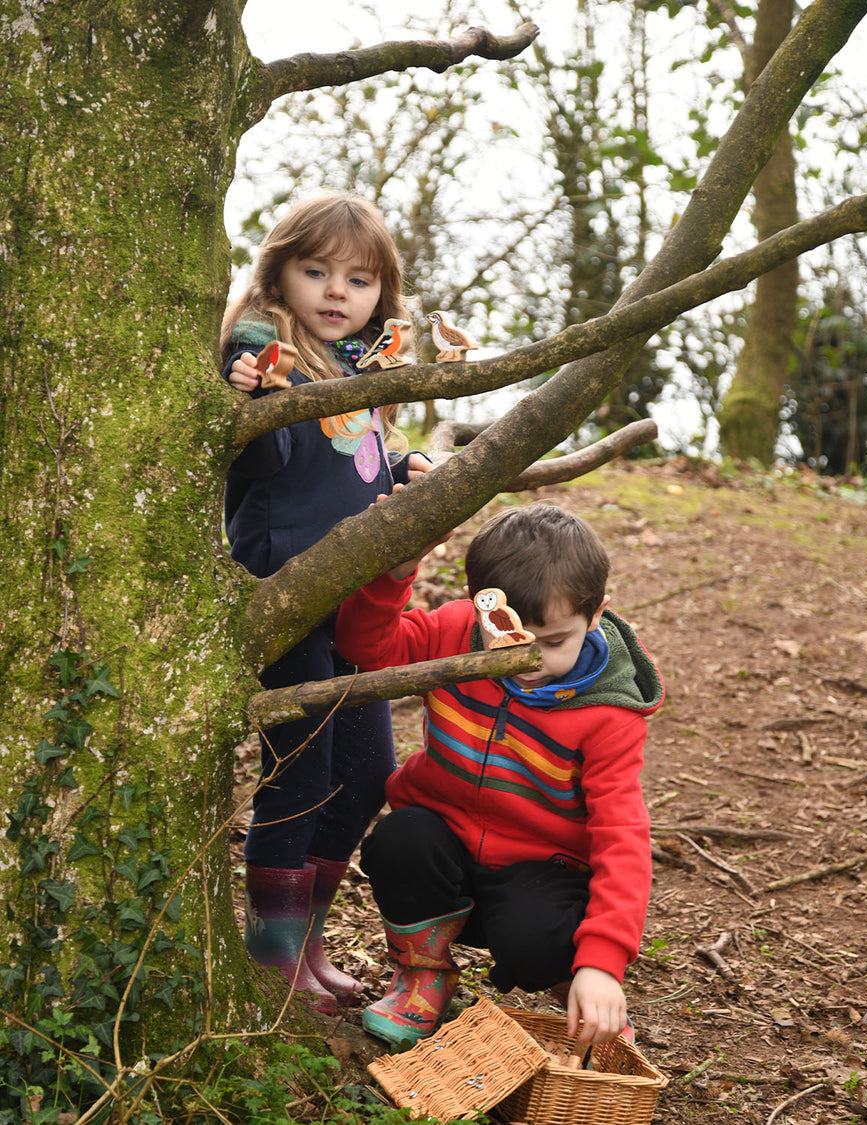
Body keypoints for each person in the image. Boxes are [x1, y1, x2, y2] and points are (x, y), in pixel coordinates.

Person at [335, 503, 664, 1047]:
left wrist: (603, 963)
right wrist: (394, 572)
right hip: (446, 859)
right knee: (399, 841)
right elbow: (368, 648)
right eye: (509, 638)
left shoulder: (608, 715)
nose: (531, 660)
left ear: (597, 613)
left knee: (537, 942)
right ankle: (424, 975)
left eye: (555, 641)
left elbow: (621, 834)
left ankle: (580, 992)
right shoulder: (453, 632)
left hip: (542, 876)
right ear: (480, 608)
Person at [221, 192, 431, 1013]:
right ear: (280, 271)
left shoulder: (360, 365)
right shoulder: (265, 351)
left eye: (359, 278)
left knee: (369, 773)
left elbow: (354, 459)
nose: (338, 290)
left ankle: (304, 942)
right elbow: (267, 460)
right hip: (288, 594)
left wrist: (403, 467)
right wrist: (252, 394)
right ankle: (273, 953)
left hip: (354, 602)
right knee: (300, 772)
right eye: (317, 271)